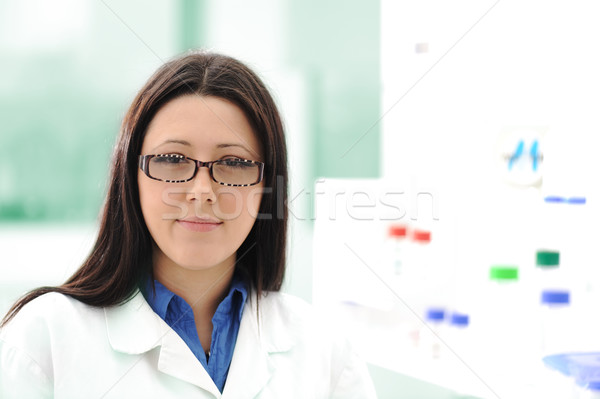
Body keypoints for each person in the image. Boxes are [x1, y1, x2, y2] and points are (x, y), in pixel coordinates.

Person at [0, 51, 377, 398]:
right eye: (172, 158)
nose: (201, 191)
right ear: (131, 178)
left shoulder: (325, 353)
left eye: (234, 163)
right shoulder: (43, 340)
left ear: (267, 186)